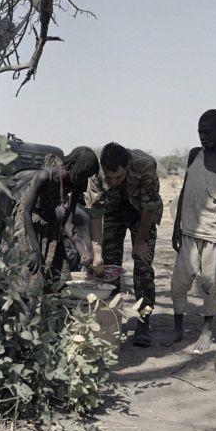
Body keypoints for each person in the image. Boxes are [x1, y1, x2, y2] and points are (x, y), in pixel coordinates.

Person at [164, 109, 216, 351]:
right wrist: (177, 227)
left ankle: (207, 331)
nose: (202, 137)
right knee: (179, 282)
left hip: (215, 232)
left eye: (207, 132)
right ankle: (177, 329)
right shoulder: (195, 155)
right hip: (189, 229)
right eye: (199, 132)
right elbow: (185, 190)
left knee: (209, 283)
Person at [85, 142, 163, 347]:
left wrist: (140, 243)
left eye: (117, 177)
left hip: (141, 214)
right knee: (108, 267)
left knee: (143, 264)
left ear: (128, 166)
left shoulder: (145, 166)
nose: (112, 182)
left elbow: (149, 207)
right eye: (108, 177)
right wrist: (97, 252)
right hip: (113, 213)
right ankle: (112, 319)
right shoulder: (96, 175)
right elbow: (95, 214)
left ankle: (143, 321)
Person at [16, 146, 99, 289]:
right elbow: (26, 212)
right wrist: (35, 250)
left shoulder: (77, 183)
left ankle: (51, 305)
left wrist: (83, 251)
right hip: (29, 222)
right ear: (72, 166)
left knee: (59, 274)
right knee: (32, 273)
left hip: (50, 219)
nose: (84, 180)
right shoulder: (44, 177)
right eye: (83, 175)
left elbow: (68, 223)